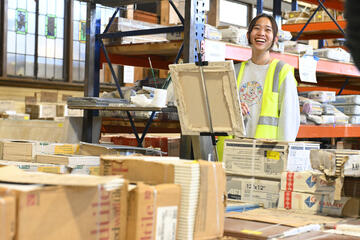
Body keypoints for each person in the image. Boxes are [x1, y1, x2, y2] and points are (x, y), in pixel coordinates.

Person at [217, 13, 300, 160]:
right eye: (257, 28)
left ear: (275, 39)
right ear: (248, 35)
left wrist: (283, 158)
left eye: (268, 30)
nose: (261, 33)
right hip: (234, 152)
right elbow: (219, 115)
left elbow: (289, 120)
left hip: (267, 154)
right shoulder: (234, 71)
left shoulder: (282, 71)